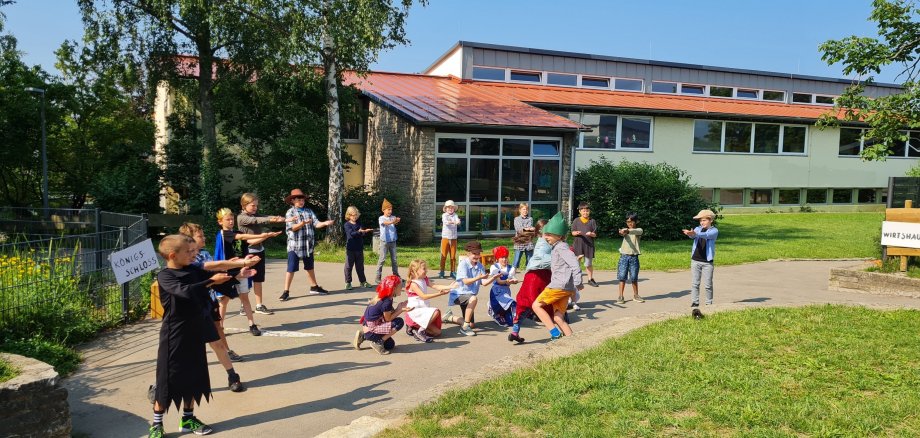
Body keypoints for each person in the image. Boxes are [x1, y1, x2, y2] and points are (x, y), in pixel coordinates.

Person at [149, 234, 231, 437]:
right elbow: (183, 291)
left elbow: (214, 279)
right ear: (172, 255)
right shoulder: (165, 276)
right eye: (188, 252)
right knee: (168, 378)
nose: (194, 255)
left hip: (195, 330)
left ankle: (188, 418)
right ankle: (157, 424)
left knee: (195, 375)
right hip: (174, 334)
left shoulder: (192, 270)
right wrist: (210, 281)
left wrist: (239, 273)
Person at [179, 222, 255, 391]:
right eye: (200, 236)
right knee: (183, 349)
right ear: (189, 240)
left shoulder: (204, 253)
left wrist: (237, 272)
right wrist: (236, 264)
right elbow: (210, 271)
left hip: (208, 303)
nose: (204, 238)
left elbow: (216, 274)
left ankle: (232, 376)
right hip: (190, 309)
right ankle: (162, 383)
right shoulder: (184, 261)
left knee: (217, 339)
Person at [214, 207, 277, 336]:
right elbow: (242, 236)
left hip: (241, 270)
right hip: (228, 271)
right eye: (228, 220)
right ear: (220, 222)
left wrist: (266, 236)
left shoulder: (235, 232)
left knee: (245, 298)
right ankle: (220, 327)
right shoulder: (223, 234)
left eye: (232, 219)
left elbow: (249, 240)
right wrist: (261, 234)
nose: (231, 222)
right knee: (224, 300)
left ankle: (252, 324)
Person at [532, 212, 583, 340]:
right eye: (545, 234)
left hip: (558, 286)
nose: (546, 237)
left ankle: (555, 333)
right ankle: (573, 342)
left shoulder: (561, 248)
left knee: (536, 306)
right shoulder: (558, 247)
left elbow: (574, 264)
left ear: (559, 236)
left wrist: (578, 282)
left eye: (549, 234)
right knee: (558, 318)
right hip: (565, 289)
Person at [278, 188, 335, 301]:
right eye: (299, 199)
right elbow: (292, 228)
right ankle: (286, 291)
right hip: (295, 246)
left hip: (308, 245)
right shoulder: (290, 212)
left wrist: (325, 223)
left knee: (310, 267)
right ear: (293, 200)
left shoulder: (308, 211)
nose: (301, 201)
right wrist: (302, 223)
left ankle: (314, 287)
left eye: (302, 199)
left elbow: (316, 223)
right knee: (291, 269)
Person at [236, 193, 286, 315]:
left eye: (256, 206)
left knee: (258, 279)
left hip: (259, 251)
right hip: (247, 253)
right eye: (253, 205)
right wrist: (267, 232)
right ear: (244, 205)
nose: (255, 208)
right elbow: (257, 220)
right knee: (245, 280)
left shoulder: (256, 215)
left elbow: (264, 216)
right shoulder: (241, 217)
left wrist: (279, 218)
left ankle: (259, 305)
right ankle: (244, 305)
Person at [444, 240, 499, 336]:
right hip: (459, 294)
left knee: (472, 324)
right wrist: (479, 277)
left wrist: (493, 278)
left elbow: (484, 283)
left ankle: (449, 317)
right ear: (468, 253)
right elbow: (465, 281)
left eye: (478, 253)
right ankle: (465, 328)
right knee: (473, 298)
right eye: (474, 253)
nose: (477, 256)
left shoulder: (480, 266)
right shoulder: (463, 264)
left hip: (469, 296)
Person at [507, 218, 549, 344]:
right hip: (540, 277)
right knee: (547, 302)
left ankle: (515, 331)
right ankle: (555, 331)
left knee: (524, 303)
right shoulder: (546, 243)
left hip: (530, 276)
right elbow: (545, 261)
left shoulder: (541, 241)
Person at [353, 275, 410, 355]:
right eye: (400, 286)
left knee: (390, 345)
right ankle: (378, 343)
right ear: (394, 288)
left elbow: (388, 313)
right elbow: (388, 319)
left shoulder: (385, 296)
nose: (402, 288)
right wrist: (401, 310)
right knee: (399, 322)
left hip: (369, 326)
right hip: (372, 329)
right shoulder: (386, 301)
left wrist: (399, 307)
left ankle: (363, 336)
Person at [403, 259, 455, 342]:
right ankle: (420, 331)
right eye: (424, 269)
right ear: (415, 271)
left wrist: (449, 287)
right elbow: (423, 296)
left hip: (423, 309)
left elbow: (435, 286)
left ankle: (415, 329)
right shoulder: (413, 284)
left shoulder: (424, 279)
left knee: (437, 333)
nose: (426, 270)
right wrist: (439, 294)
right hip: (415, 311)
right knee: (436, 312)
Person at [682, 209, 719, 308]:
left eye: (704, 220)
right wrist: (690, 234)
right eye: (700, 221)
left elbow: (707, 235)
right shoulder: (697, 229)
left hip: (707, 262)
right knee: (695, 284)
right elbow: (694, 236)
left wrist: (694, 234)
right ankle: (695, 302)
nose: (702, 222)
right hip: (695, 260)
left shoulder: (714, 231)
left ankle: (708, 303)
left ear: (710, 220)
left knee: (708, 285)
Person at [616, 213, 645, 304]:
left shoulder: (639, 230)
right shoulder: (625, 230)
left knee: (634, 277)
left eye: (632, 221)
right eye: (628, 222)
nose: (629, 223)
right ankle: (621, 296)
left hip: (634, 257)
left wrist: (627, 231)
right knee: (622, 277)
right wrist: (622, 232)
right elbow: (623, 233)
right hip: (624, 256)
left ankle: (636, 295)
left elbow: (635, 231)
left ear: (636, 222)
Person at [343, 205, 374, 290]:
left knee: (360, 266)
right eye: (353, 215)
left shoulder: (359, 223)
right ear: (348, 215)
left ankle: (363, 281)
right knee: (348, 266)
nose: (355, 217)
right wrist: (359, 232)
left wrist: (364, 232)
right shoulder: (347, 225)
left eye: (356, 215)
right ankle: (348, 282)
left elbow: (362, 233)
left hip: (359, 249)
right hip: (350, 249)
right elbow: (351, 234)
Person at [487, 246, 518, 327]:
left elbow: (509, 281)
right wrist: (508, 281)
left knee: (511, 323)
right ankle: (495, 313)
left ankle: (507, 315)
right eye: (502, 257)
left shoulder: (511, 268)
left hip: (506, 291)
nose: (504, 259)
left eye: (506, 257)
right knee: (511, 303)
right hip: (496, 292)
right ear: (497, 258)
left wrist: (514, 281)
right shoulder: (494, 267)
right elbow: (499, 281)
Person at [571, 202, 598, 289]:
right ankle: (577, 280)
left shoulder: (592, 221)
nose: (585, 213)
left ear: (589, 211)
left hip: (589, 245)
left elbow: (595, 234)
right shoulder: (576, 220)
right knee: (577, 263)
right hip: (578, 245)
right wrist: (576, 233)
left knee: (588, 263)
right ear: (580, 211)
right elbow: (572, 232)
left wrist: (591, 234)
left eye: (587, 211)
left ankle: (590, 279)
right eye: (583, 211)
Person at [375, 198, 401, 283]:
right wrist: (393, 221)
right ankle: (378, 276)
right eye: (388, 209)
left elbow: (396, 222)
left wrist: (397, 220)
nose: (390, 211)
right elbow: (385, 223)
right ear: (384, 210)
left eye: (391, 209)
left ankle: (396, 275)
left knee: (394, 259)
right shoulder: (381, 218)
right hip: (384, 241)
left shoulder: (392, 217)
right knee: (382, 258)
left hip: (393, 241)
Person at [438, 200, 461, 279]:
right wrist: (454, 222)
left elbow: (458, 221)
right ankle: (442, 271)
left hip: (454, 238)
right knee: (443, 255)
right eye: (448, 207)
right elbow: (446, 222)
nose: (450, 209)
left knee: (453, 256)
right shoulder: (444, 215)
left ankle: (453, 271)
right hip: (445, 238)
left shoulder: (455, 215)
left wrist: (457, 221)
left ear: (454, 208)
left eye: (452, 207)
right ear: (446, 208)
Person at [512, 203, 535, 270]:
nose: (525, 211)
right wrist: (528, 229)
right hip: (519, 241)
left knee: (530, 260)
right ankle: (512, 276)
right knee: (516, 260)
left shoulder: (530, 219)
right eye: (524, 209)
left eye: (526, 209)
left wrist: (526, 229)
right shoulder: (516, 219)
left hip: (528, 242)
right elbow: (518, 230)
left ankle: (529, 275)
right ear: (520, 210)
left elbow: (530, 231)